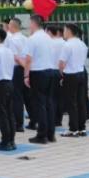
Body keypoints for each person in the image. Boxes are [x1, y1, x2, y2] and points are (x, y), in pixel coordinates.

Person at [24, 14, 56, 145]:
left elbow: (28, 59)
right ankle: (50, 134)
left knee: (39, 104)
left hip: (38, 72)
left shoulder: (32, 39)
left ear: (33, 23)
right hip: (50, 71)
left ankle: (42, 135)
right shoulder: (48, 37)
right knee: (49, 103)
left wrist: (26, 75)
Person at [58, 24, 88, 137]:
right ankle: (82, 128)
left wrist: (62, 75)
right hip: (81, 74)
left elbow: (62, 63)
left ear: (69, 31)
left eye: (64, 30)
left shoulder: (67, 45)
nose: (63, 32)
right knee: (81, 102)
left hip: (70, 75)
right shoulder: (82, 44)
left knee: (71, 103)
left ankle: (73, 129)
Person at [3, 18, 27, 134]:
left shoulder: (12, 40)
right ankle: (20, 122)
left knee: (16, 97)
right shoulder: (25, 38)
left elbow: (15, 57)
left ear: (12, 26)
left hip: (16, 68)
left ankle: (18, 123)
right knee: (21, 96)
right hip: (23, 68)